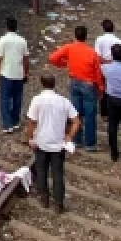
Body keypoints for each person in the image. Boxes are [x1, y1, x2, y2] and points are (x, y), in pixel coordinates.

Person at [25, 73, 81, 212]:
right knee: (58, 173)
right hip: (58, 144)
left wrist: (30, 138)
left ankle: (44, 198)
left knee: (41, 170)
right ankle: (58, 203)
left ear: (42, 83)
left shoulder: (37, 100)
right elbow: (76, 121)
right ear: (54, 84)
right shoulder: (63, 101)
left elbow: (32, 122)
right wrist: (69, 136)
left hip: (42, 142)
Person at [49, 25, 104, 152]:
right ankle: (90, 144)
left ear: (75, 36)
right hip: (89, 84)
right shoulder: (92, 53)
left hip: (74, 82)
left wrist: (64, 64)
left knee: (75, 113)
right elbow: (98, 74)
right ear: (86, 37)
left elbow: (52, 58)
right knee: (90, 115)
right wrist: (100, 88)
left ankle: (77, 140)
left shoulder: (69, 47)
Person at [0, 17, 29, 134]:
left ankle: (7, 124)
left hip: (6, 73)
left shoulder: (2, 40)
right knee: (17, 99)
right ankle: (15, 121)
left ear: (7, 27)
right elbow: (25, 59)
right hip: (18, 73)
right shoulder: (22, 40)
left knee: (4, 99)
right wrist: (26, 72)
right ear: (16, 27)